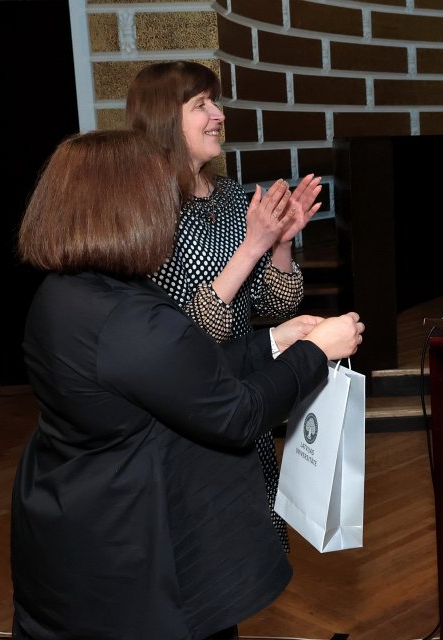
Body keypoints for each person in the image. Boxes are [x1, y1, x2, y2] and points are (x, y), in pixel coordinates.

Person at [10, 129, 365, 640]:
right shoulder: (129, 318)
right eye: (159, 199)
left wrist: (275, 341)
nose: (169, 214)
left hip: (73, 522)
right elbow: (237, 415)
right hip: (139, 548)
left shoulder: (63, 294)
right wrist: (315, 352)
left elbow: (180, 374)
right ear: (125, 208)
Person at [126, 60, 321, 552]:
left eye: (215, 102)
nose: (219, 114)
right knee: (202, 552)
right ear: (165, 119)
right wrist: (253, 246)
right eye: (201, 105)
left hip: (241, 394)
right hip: (182, 410)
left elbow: (277, 304)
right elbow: (185, 335)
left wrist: (281, 244)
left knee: (250, 549)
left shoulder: (234, 196)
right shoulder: (144, 212)